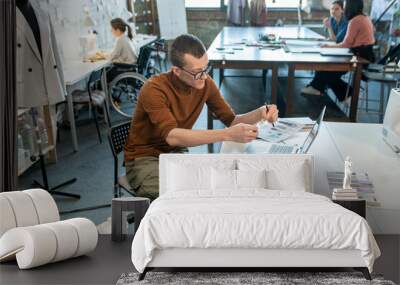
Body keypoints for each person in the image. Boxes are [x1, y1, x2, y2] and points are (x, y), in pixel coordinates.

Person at [124, 34, 279, 200]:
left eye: (206, 68)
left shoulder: (204, 83)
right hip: (144, 158)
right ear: (176, 71)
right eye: (197, 72)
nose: (204, 76)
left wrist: (260, 112)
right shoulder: (154, 89)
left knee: (207, 189)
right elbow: (172, 137)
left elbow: (231, 120)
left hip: (175, 153)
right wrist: (227, 134)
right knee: (182, 196)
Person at [301, 0, 375, 102]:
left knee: (328, 70)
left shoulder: (355, 21)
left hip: (360, 57)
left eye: (343, 5)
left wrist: (327, 46)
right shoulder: (365, 17)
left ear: (350, 6)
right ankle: (317, 88)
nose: (344, 8)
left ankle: (349, 94)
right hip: (365, 54)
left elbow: (345, 44)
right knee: (327, 68)